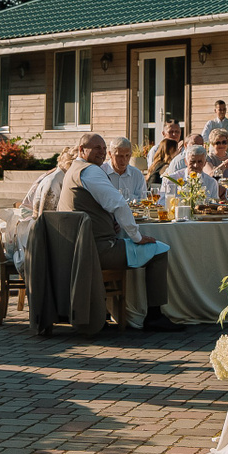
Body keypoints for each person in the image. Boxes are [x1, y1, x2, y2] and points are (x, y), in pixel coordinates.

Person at [61, 133, 182, 333]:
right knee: (159, 250)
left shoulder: (74, 170)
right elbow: (118, 203)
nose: (101, 152)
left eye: (103, 148)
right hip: (97, 249)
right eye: (96, 148)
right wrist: (137, 237)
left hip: (78, 247)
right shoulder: (91, 171)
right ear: (82, 150)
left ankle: (111, 310)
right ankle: (154, 316)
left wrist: (110, 221)